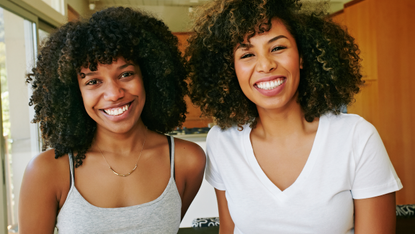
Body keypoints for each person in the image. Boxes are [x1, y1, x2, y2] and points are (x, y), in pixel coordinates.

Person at [186, 0, 402, 233]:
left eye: (278, 48)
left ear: (301, 56)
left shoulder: (357, 137)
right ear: (231, 70)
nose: (266, 65)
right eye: (247, 54)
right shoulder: (222, 141)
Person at [19, 7, 205, 234]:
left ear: (148, 75)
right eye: (93, 82)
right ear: (73, 92)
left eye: (126, 74)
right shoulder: (47, 171)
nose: (114, 93)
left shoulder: (187, 161)